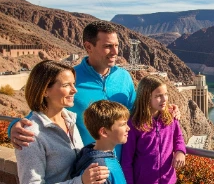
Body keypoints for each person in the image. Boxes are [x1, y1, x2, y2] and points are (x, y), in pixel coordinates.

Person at [9, 20, 179, 161]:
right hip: (88, 168)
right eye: (107, 46)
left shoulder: (124, 77)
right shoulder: (71, 80)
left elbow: (138, 111)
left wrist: (166, 108)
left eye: (116, 45)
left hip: (124, 167)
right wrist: (14, 127)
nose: (115, 52)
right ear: (89, 47)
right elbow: (42, 112)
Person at [14, 60, 109, 184]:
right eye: (66, 85)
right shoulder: (32, 134)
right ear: (45, 90)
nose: (74, 90)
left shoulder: (70, 120)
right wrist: (81, 183)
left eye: (73, 83)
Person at [121, 75, 186, 184]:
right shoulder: (133, 125)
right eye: (158, 95)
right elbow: (126, 162)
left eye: (165, 94)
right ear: (145, 97)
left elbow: (178, 138)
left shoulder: (169, 119)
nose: (164, 99)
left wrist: (180, 151)